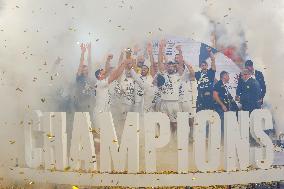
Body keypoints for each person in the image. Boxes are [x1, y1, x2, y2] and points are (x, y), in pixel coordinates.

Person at [195, 46, 216, 112]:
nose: (203, 66)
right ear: (200, 66)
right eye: (202, 65)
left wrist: (210, 51)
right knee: (200, 112)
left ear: (207, 66)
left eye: (205, 65)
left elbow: (213, 60)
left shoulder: (211, 72)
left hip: (209, 95)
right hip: (201, 95)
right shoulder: (198, 73)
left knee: (210, 112)